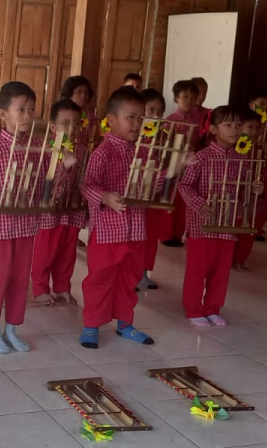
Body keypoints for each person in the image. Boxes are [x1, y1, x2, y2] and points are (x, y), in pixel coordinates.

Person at [0, 82, 74, 353]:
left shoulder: (41, 147)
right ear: (3, 114)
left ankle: (13, 328)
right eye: (21, 109)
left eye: (31, 109)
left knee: (20, 280)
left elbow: (49, 183)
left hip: (27, 224)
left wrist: (63, 165)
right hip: (0, 225)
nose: (28, 115)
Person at [78, 89, 157, 349]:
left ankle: (125, 324)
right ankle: (91, 325)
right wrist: (104, 197)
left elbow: (151, 182)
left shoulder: (144, 153)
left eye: (140, 119)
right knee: (100, 279)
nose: (136, 124)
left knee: (129, 279)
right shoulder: (103, 152)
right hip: (108, 231)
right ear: (111, 120)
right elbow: (86, 185)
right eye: (130, 118)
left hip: (135, 230)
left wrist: (176, 168)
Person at [177, 106, 251, 326]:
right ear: (213, 129)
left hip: (227, 224)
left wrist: (252, 188)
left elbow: (243, 190)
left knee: (221, 270)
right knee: (198, 270)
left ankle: (212, 307)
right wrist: (200, 205)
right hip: (202, 224)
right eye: (228, 125)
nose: (235, 129)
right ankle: (194, 309)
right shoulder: (201, 157)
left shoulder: (242, 159)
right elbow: (185, 186)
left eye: (238, 125)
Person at [32, 99, 88, 306]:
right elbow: (41, 180)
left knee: (67, 253)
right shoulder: (46, 149)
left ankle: (63, 287)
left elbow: (84, 181)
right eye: (65, 123)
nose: (71, 129)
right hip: (49, 211)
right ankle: (40, 288)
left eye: (76, 123)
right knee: (45, 252)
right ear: (53, 126)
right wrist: (63, 165)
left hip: (71, 211)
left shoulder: (82, 151)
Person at [163, 80, 203, 247]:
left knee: (183, 201)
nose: (189, 100)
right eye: (185, 97)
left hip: (191, 166)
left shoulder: (200, 121)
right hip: (173, 166)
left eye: (193, 97)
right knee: (169, 199)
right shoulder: (169, 121)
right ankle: (166, 235)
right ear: (176, 98)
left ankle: (180, 233)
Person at [138, 89, 167, 290]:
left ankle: (144, 273)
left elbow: (165, 164)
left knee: (150, 236)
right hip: (136, 194)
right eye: (151, 110)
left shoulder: (163, 138)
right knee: (136, 235)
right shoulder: (134, 137)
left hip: (154, 194)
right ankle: (132, 273)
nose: (155, 116)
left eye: (159, 111)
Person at [232, 107, 265, 272]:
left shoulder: (258, 150)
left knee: (248, 231)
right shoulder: (232, 148)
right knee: (233, 229)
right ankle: (230, 259)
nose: (253, 131)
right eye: (249, 127)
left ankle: (240, 260)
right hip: (235, 198)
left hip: (251, 198)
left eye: (257, 128)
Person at [248, 87, 267, 241]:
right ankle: (246, 225)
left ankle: (258, 228)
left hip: (264, 169)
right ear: (251, 105)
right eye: (262, 104)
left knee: (263, 198)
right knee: (247, 196)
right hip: (247, 168)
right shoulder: (244, 123)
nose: (265, 108)